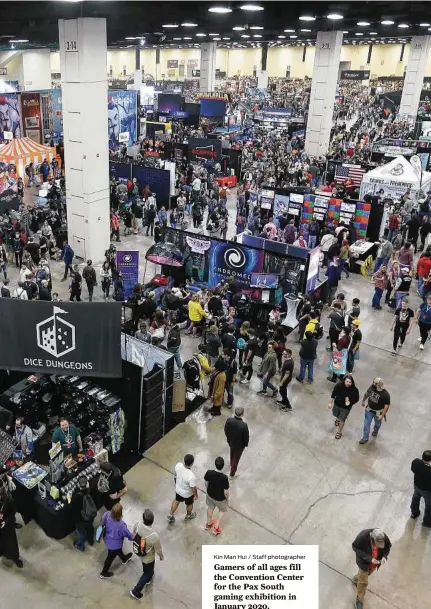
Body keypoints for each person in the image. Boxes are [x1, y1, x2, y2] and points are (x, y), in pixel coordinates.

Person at [352, 528, 391, 609]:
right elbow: (355, 547)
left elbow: (387, 547)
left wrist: (384, 557)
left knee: (365, 575)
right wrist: (370, 559)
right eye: (377, 543)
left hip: (374, 564)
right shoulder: (362, 536)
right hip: (364, 563)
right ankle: (359, 600)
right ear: (372, 538)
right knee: (363, 582)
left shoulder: (384, 537)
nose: (378, 546)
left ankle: (356, 579)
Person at [130, 509, 164, 600]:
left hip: (139, 552)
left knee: (147, 568)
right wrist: (161, 557)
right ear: (152, 521)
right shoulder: (154, 536)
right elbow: (158, 550)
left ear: (143, 519)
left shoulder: (137, 524)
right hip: (148, 557)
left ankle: (148, 579)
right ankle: (136, 591)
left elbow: (133, 534)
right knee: (148, 572)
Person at [100, 503, 133, 579]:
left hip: (107, 539)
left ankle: (124, 559)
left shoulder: (107, 514)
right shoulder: (121, 525)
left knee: (117, 551)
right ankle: (104, 573)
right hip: (115, 545)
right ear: (120, 513)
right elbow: (128, 534)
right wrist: (135, 538)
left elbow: (102, 522)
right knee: (110, 558)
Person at [359, 378, 391, 444]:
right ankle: (365, 438)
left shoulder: (385, 394)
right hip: (369, 409)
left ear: (379, 385)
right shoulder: (372, 387)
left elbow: (386, 406)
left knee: (377, 424)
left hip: (378, 412)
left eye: (375, 383)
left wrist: (382, 415)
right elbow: (367, 393)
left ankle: (376, 430)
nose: (373, 384)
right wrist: (363, 400)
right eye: (373, 382)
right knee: (366, 424)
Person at [167, 454, 198, 523]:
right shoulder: (191, 476)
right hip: (188, 494)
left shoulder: (178, 465)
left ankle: (170, 515)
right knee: (189, 504)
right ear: (192, 463)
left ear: (184, 460)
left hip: (178, 490)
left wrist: (176, 483)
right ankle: (188, 516)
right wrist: (195, 495)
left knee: (176, 501)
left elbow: (175, 475)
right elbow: (193, 488)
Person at [328, 375, 359, 439]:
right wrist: (330, 403)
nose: (348, 383)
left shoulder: (354, 390)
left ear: (352, 383)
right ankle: (338, 418)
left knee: (342, 419)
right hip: (337, 404)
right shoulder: (338, 386)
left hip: (345, 408)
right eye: (347, 381)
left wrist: (350, 402)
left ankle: (339, 432)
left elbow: (356, 399)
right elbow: (333, 394)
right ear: (344, 381)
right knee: (336, 414)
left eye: (350, 382)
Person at [204, 456, 230, 536]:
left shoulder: (209, 472)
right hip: (220, 498)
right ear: (223, 466)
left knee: (210, 507)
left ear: (215, 464)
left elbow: (206, 483)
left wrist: (208, 490)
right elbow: (226, 491)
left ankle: (208, 524)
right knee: (222, 510)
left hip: (210, 495)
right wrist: (226, 498)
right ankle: (216, 528)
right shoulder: (224, 478)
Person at [70, 475, 96, 551]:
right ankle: (91, 541)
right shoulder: (91, 491)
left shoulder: (76, 497)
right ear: (87, 484)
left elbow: (72, 507)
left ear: (78, 485)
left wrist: (69, 499)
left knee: (81, 533)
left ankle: (80, 546)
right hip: (90, 515)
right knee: (90, 528)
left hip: (80, 519)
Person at [0, 486, 23, 568]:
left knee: (11, 544)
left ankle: (16, 558)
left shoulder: (9, 500)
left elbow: (12, 513)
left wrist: (5, 522)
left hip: (8, 527)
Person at [224, 406, 249, 479]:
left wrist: (229, 438)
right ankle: (232, 474)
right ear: (242, 414)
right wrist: (245, 444)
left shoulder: (229, 420)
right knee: (236, 459)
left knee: (232, 453)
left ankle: (231, 463)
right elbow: (246, 437)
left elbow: (225, 430)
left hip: (231, 442)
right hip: (239, 445)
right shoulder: (244, 425)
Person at [410, 450, 431, 528]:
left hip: (417, 486)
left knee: (415, 499)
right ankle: (427, 522)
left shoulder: (416, 462)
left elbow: (413, 469)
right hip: (427, 491)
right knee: (429, 506)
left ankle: (414, 513)